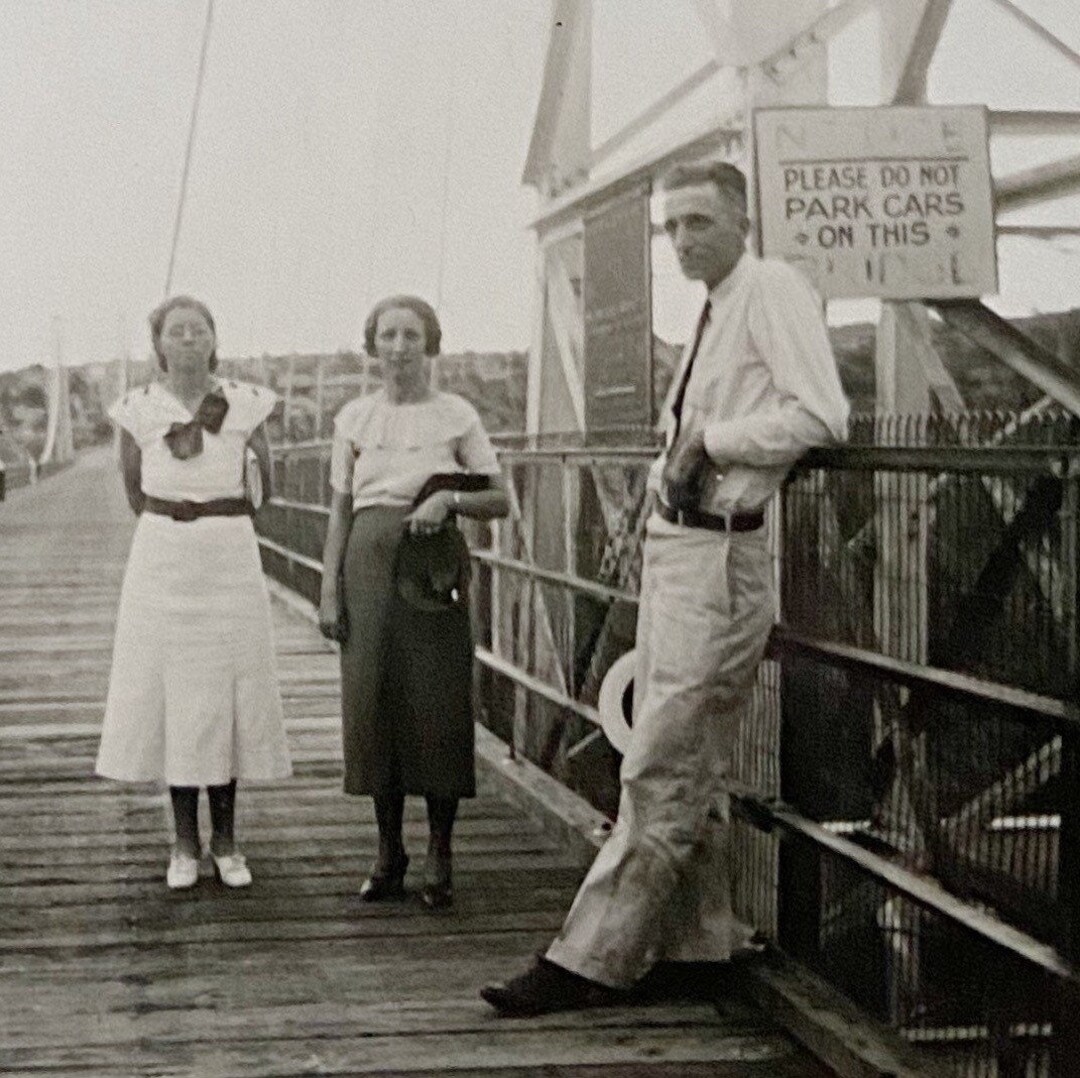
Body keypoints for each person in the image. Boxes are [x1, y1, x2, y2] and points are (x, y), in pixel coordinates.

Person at [481, 160, 849, 1014]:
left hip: (721, 554)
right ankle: (700, 939)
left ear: (742, 222)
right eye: (672, 227)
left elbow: (822, 415)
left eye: (700, 223)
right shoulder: (719, 304)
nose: (683, 241)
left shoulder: (770, 289)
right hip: (681, 550)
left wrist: (710, 443)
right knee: (687, 753)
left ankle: (590, 958)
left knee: (659, 760)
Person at [318, 294, 509, 909]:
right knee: (375, 703)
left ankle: (441, 853)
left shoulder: (456, 415)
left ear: (431, 345)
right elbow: (341, 511)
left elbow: (500, 497)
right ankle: (388, 849)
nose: (399, 347)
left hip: (430, 569)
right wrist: (330, 592)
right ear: (372, 346)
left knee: (436, 703)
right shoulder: (353, 419)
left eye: (411, 335)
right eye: (388, 336)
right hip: (368, 566)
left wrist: (448, 501)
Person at [96, 295, 291, 890]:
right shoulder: (137, 410)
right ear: (159, 344)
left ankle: (227, 842)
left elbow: (266, 483)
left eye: (197, 330)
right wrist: (178, 516)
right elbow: (134, 488)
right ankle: (183, 843)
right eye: (175, 332)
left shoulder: (245, 404)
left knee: (225, 694)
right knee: (176, 696)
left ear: (213, 338)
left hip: (227, 556)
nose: (187, 340)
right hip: (164, 559)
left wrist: (214, 515)